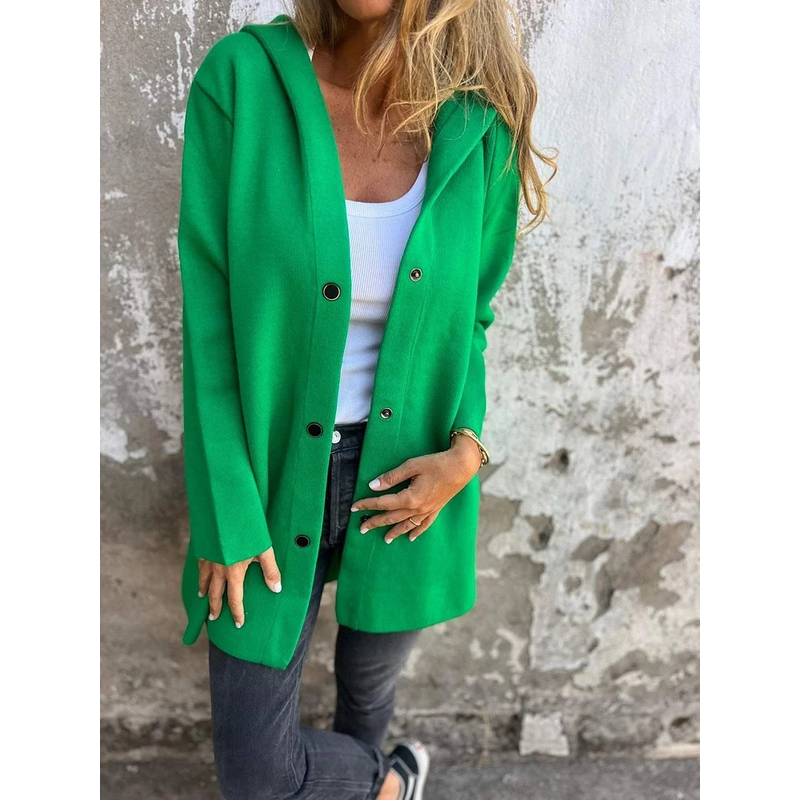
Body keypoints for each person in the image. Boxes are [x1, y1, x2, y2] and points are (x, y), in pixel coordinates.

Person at [178, 1, 553, 798]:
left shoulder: (478, 124)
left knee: (368, 693)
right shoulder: (243, 82)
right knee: (257, 775)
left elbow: (472, 317)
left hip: (409, 478)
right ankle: (390, 783)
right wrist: (224, 508)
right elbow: (209, 320)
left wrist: (467, 451)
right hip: (271, 475)